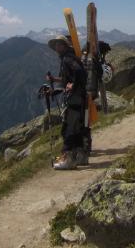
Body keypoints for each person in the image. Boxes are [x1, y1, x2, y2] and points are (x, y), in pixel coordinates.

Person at [47, 35, 88, 170]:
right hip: (79, 98)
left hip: (74, 98)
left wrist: (73, 86)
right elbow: (68, 79)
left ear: (65, 46)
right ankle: (81, 157)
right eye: (56, 45)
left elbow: (80, 72)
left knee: (68, 128)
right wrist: (55, 80)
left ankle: (68, 159)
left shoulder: (67, 59)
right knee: (76, 128)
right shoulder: (69, 58)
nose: (57, 47)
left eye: (59, 45)